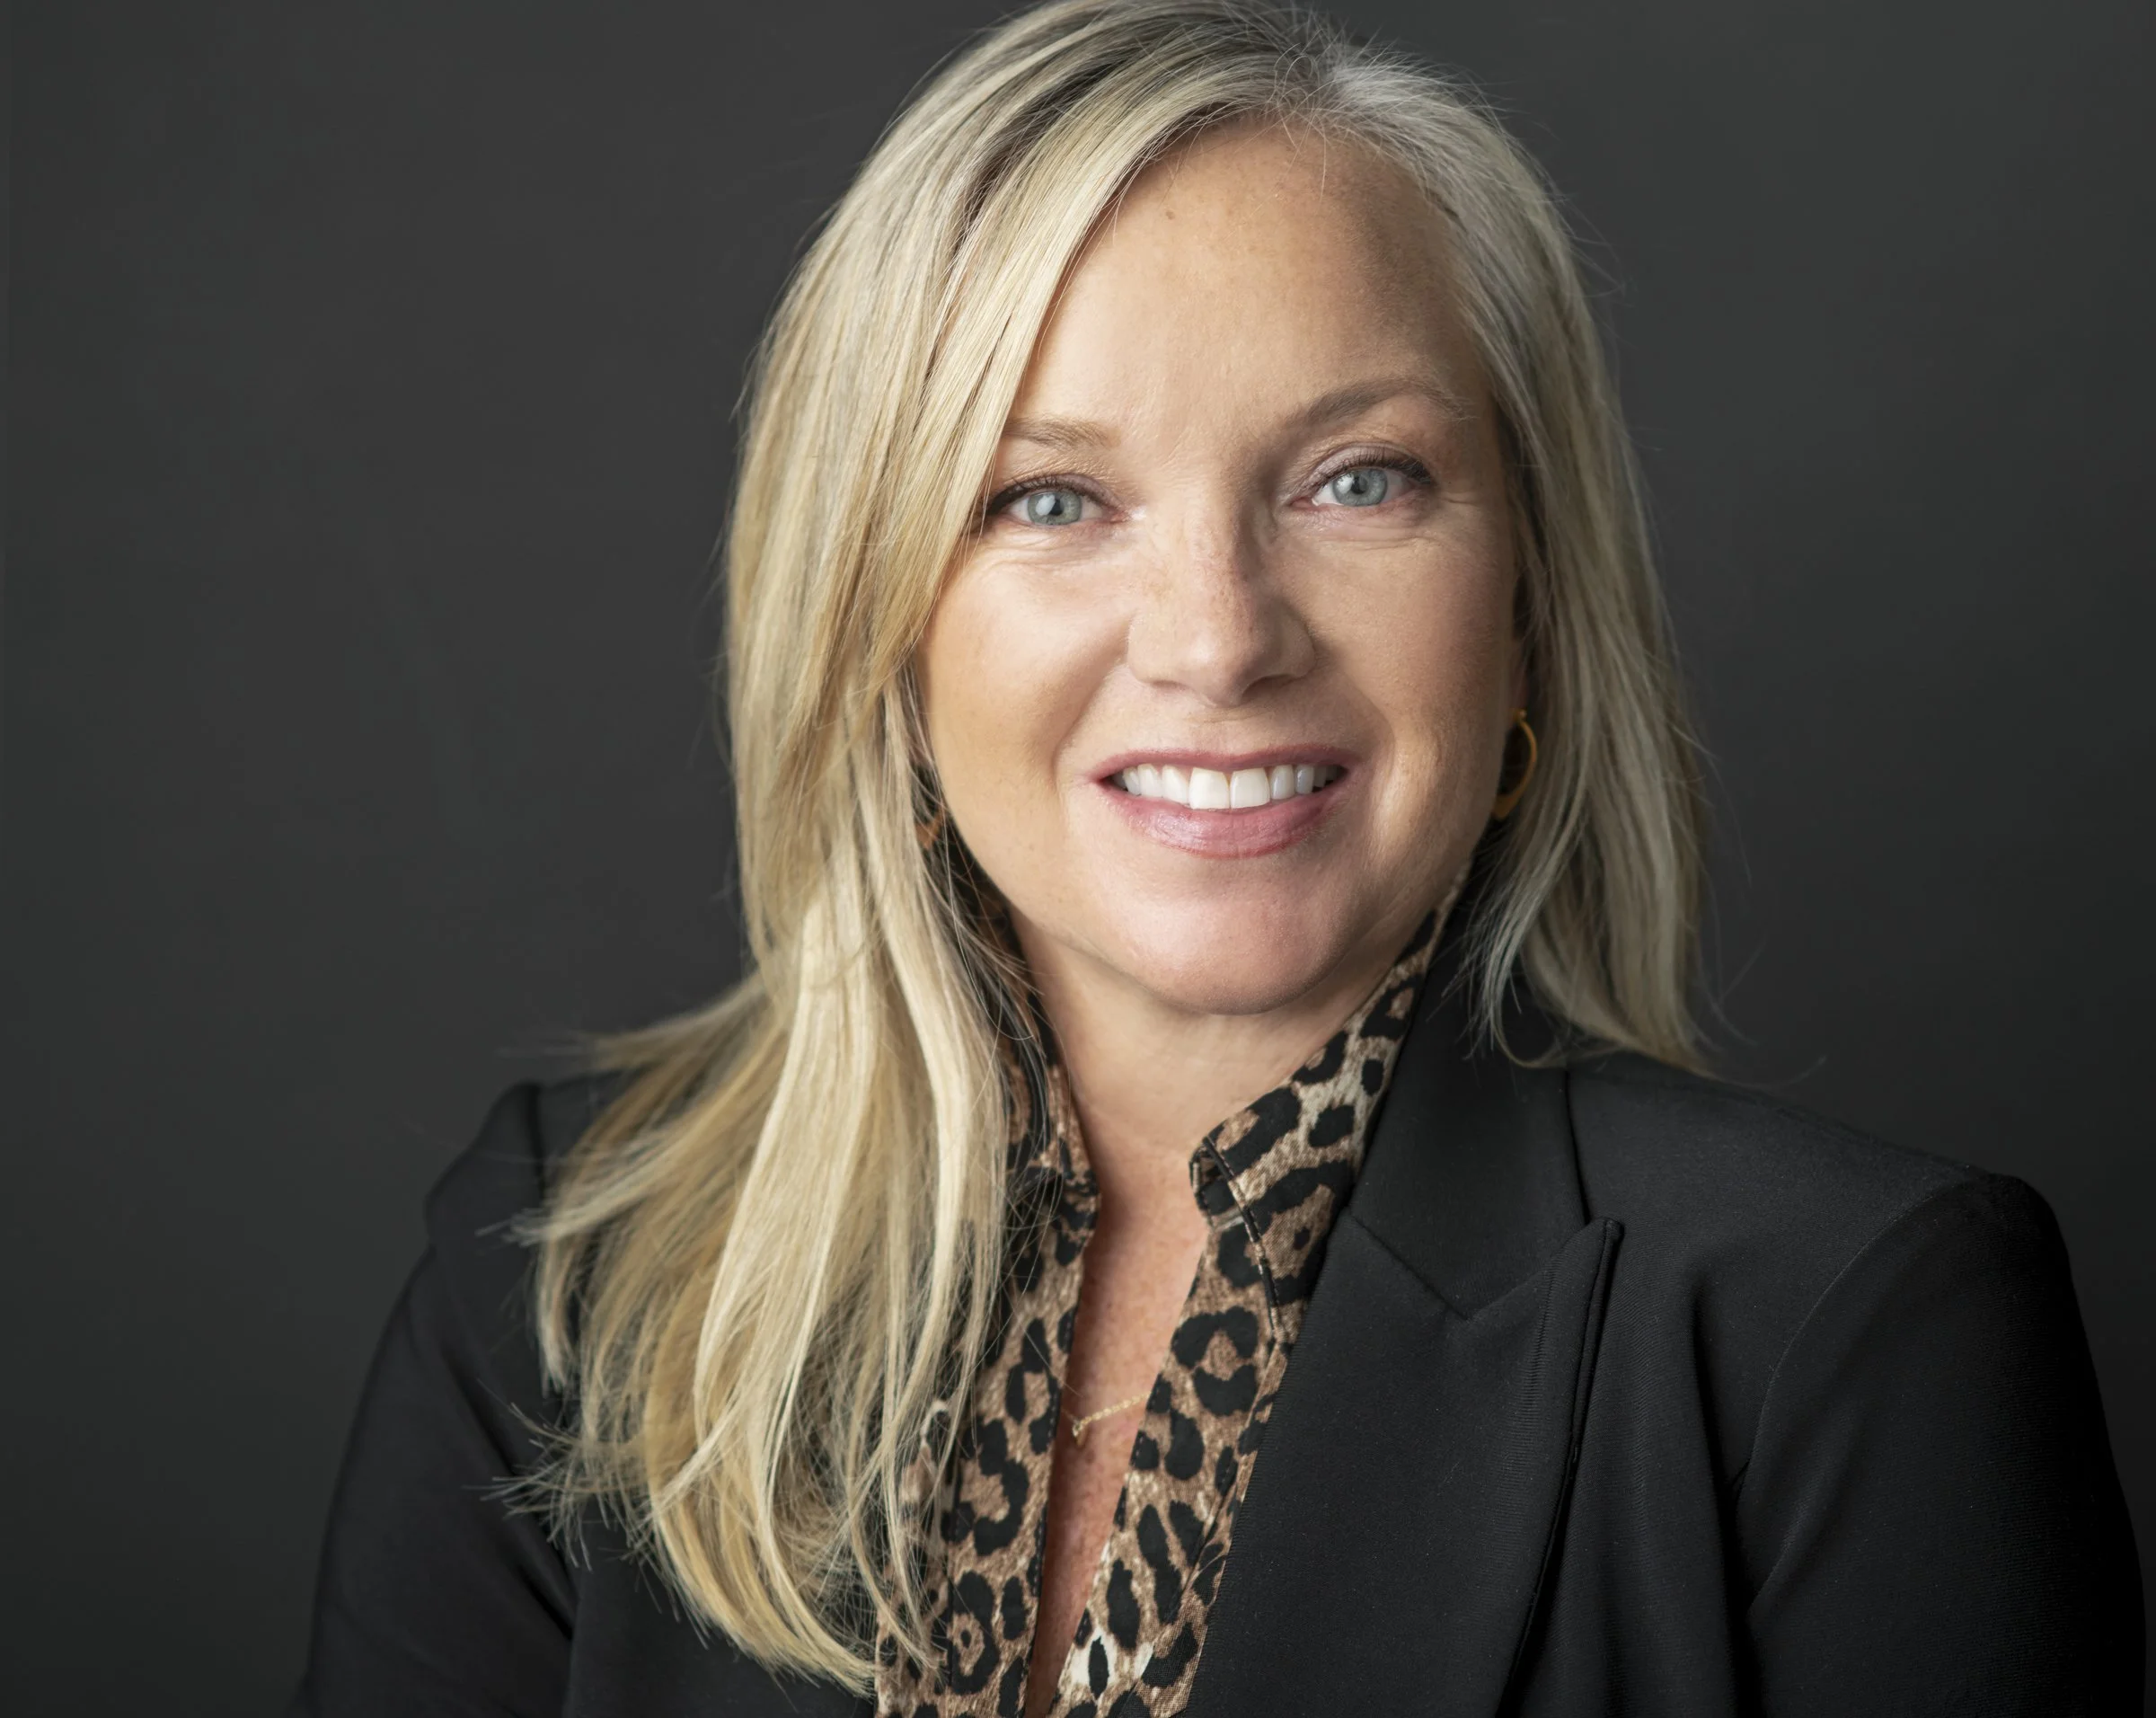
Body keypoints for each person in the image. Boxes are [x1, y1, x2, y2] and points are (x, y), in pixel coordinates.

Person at [289, 3, 2142, 1713]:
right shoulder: (564, 1273)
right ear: (877, 625)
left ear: (1531, 600)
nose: (1218, 636)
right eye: (1050, 498)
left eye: (1359, 478)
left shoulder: (1843, 1327)